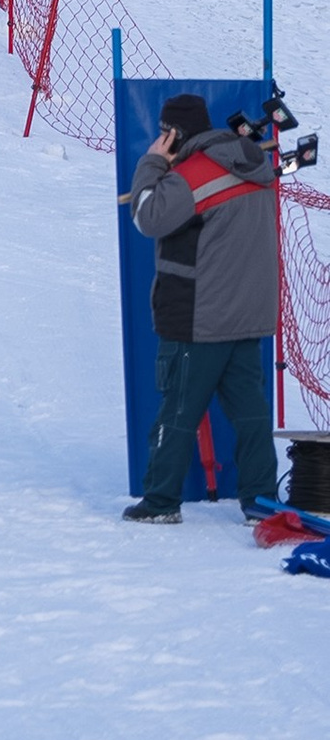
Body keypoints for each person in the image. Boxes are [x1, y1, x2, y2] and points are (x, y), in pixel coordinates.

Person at [123, 96, 281, 519]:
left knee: (177, 412)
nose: (159, 139)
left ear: (175, 135)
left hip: (200, 317)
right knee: (250, 417)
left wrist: (151, 165)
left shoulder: (189, 177)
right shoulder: (252, 164)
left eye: (163, 132)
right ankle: (262, 501)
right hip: (248, 317)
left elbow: (146, 218)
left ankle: (160, 501)